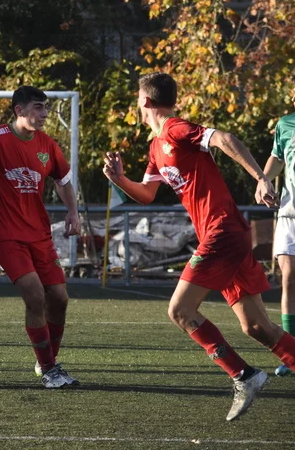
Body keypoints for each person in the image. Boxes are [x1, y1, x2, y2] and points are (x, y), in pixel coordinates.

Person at [103, 72, 295, 421]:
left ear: (145, 101)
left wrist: (261, 177)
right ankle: (252, 373)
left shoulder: (176, 129)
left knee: (180, 311)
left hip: (222, 232)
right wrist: (119, 179)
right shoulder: (156, 146)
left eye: (137, 98)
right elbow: (146, 194)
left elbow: (225, 138)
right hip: (227, 235)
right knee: (257, 328)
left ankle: (244, 375)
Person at [0, 86, 81, 389]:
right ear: (19, 110)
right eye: (38, 107)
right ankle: (49, 369)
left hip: (39, 233)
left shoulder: (48, 144)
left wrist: (73, 212)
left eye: (46, 107)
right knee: (34, 294)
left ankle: (47, 360)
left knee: (59, 298)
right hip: (5, 233)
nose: (45, 114)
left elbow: (63, 181)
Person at [260, 89, 295, 377]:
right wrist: (263, 180)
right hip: (290, 214)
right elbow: (277, 158)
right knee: (289, 279)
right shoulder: (285, 124)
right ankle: (291, 353)